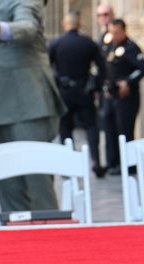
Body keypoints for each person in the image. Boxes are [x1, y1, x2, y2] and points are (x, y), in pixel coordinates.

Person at [0, 0, 65, 213]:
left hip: (27, 107)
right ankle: (14, 241)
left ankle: (51, 239)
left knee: (38, 188)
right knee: (7, 190)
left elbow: (29, 27)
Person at [49, 11, 106, 177]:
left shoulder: (56, 43)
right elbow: (103, 69)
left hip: (64, 92)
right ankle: (96, 161)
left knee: (65, 127)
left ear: (64, 25)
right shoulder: (88, 43)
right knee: (91, 126)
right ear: (79, 24)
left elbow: (47, 68)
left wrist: (56, 84)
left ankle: (68, 164)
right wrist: (95, 86)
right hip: (84, 92)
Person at [100, 18, 144, 174]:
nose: (114, 36)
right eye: (111, 32)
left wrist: (127, 82)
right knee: (109, 126)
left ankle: (127, 163)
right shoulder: (109, 47)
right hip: (111, 94)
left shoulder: (131, 48)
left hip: (127, 97)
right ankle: (111, 162)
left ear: (123, 31)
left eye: (117, 32)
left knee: (125, 129)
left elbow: (143, 69)